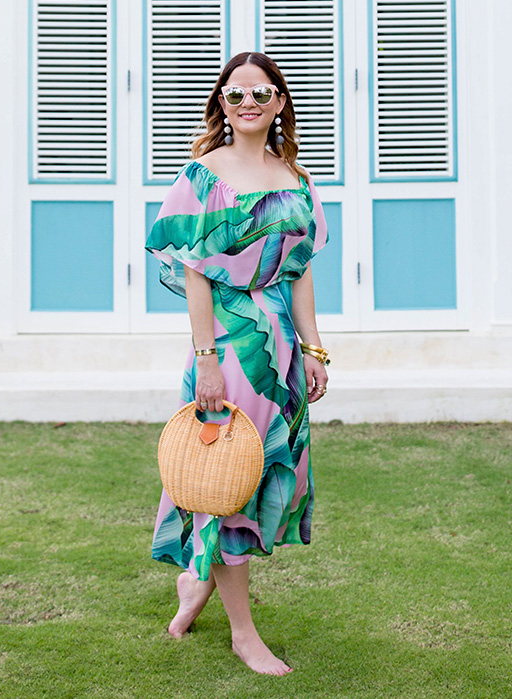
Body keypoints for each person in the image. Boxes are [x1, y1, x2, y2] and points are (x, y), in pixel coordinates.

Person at [146, 51, 330, 677]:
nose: (247, 104)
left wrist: (311, 348)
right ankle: (244, 635)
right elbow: (196, 273)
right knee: (225, 481)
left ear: (280, 102)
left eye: (260, 93)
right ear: (220, 106)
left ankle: (197, 586)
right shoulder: (202, 176)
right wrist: (206, 361)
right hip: (228, 342)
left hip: (279, 344)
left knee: (259, 471)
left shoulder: (296, 177)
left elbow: (299, 273)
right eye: (234, 95)